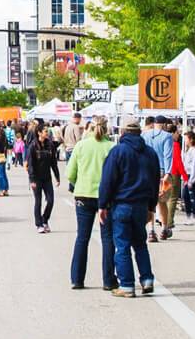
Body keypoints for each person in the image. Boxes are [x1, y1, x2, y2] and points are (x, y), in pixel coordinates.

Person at [99, 119, 160, 296]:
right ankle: (147, 279)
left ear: (123, 133)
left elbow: (108, 181)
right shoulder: (150, 153)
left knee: (122, 245)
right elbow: (154, 181)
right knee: (140, 244)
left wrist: (102, 204)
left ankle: (126, 285)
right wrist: (151, 207)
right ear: (140, 132)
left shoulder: (117, 152)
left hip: (122, 204)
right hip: (141, 205)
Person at [64, 117, 116, 291]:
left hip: (83, 194)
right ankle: (108, 280)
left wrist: (79, 182)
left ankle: (77, 279)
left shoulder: (81, 146)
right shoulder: (111, 147)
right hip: (106, 196)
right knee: (108, 238)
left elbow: (70, 173)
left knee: (82, 237)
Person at [27, 121, 61, 233]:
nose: (47, 133)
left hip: (47, 178)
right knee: (38, 201)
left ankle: (45, 220)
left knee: (50, 200)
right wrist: (32, 179)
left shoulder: (50, 145)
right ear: (39, 133)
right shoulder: (33, 146)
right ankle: (39, 224)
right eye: (46, 131)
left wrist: (57, 176)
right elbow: (30, 164)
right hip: (36, 178)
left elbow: (53, 163)